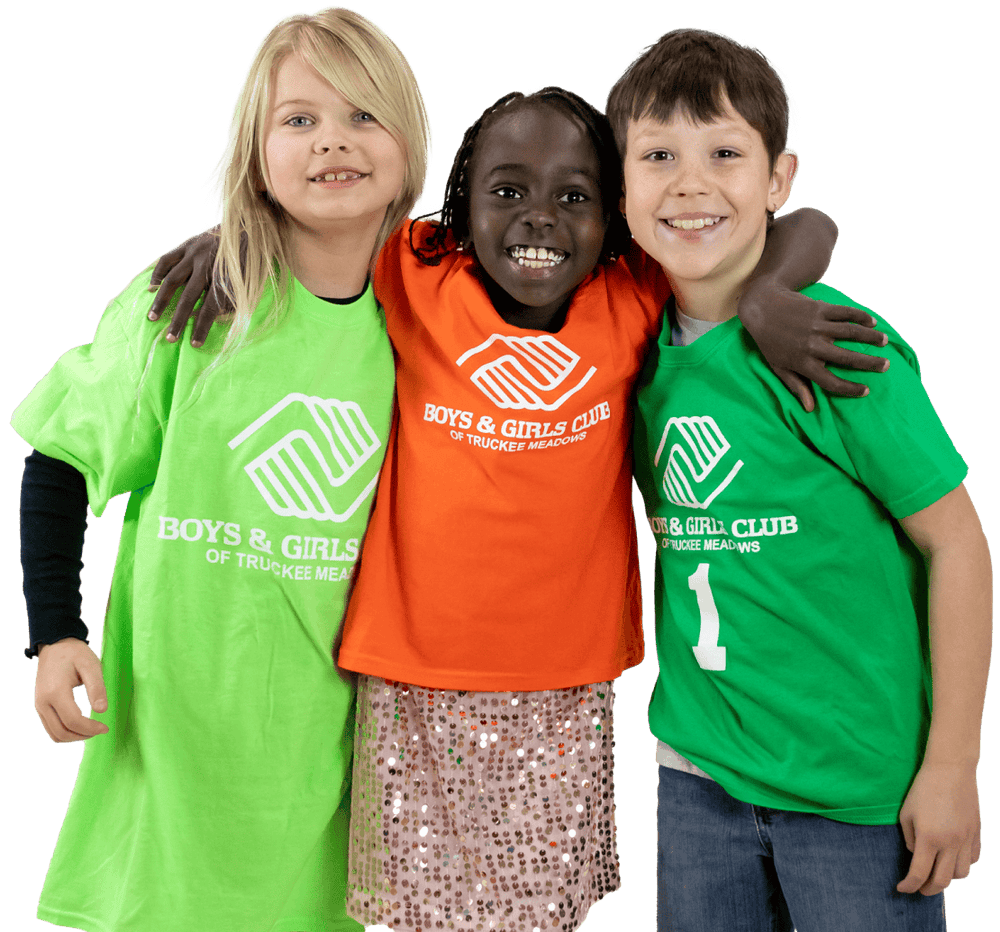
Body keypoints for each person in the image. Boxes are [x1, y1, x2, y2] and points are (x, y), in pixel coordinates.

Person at [149, 69, 894, 926]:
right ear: (459, 210)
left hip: (562, 689)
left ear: (614, 215)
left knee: (534, 915)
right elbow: (326, 225)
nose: (539, 217)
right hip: (413, 680)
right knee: (418, 914)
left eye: (574, 195)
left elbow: (809, 222)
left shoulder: (633, 294)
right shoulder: (415, 271)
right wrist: (241, 240)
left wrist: (767, 295)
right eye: (507, 191)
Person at [11, 7, 430, 932]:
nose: (334, 142)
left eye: (365, 115)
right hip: (174, 755)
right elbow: (62, 458)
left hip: (344, 772)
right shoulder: (190, 306)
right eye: (300, 119)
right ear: (254, 149)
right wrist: (55, 631)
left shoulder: (435, 320)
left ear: (410, 141)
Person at [618, 27, 993, 932]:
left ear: (778, 179)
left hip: (856, 787)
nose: (691, 182)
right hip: (695, 779)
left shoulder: (836, 349)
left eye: (725, 153)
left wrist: (951, 766)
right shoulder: (628, 344)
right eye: (658, 155)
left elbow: (959, 545)